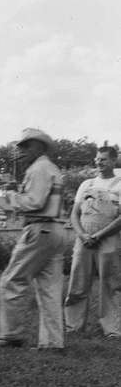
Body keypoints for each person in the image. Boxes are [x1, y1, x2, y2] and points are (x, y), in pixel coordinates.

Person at [0, 128, 68, 351]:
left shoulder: (38, 168)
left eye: (26, 146)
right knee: (50, 289)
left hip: (39, 227)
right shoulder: (51, 168)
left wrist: (10, 194)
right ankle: (52, 342)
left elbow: (34, 202)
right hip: (58, 230)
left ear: (40, 147)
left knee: (12, 280)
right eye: (19, 146)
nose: (20, 150)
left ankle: (10, 335)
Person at [64, 144, 121, 338]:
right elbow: (74, 214)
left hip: (108, 239)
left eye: (103, 159)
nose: (99, 163)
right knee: (77, 282)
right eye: (97, 159)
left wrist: (99, 235)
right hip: (84, 240)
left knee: (110, 283)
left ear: (114, 160)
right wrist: (82, 235)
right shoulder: (86, 184)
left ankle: (112, 329)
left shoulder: (120, 183)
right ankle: (73, 326)